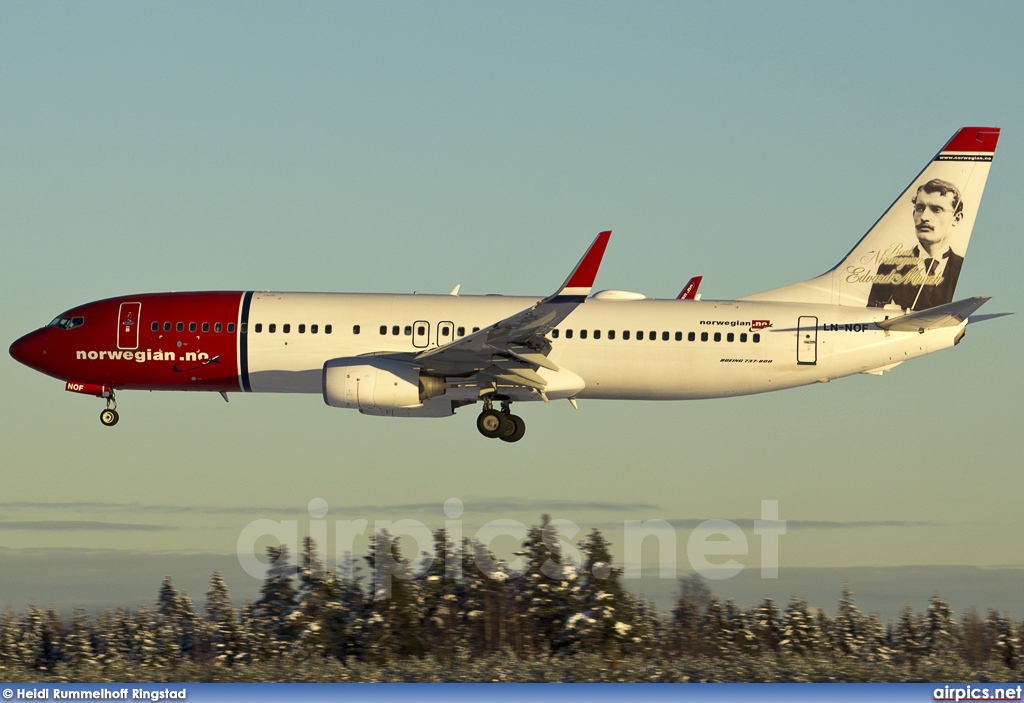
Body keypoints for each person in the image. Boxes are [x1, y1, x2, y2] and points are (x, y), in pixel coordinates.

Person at [867, 178, 964, 310]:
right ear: (913, 214)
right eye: (919, 208)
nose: (924, 217)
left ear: (956, 219)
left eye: (936, 209)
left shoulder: (961, 268)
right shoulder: (889, 268)